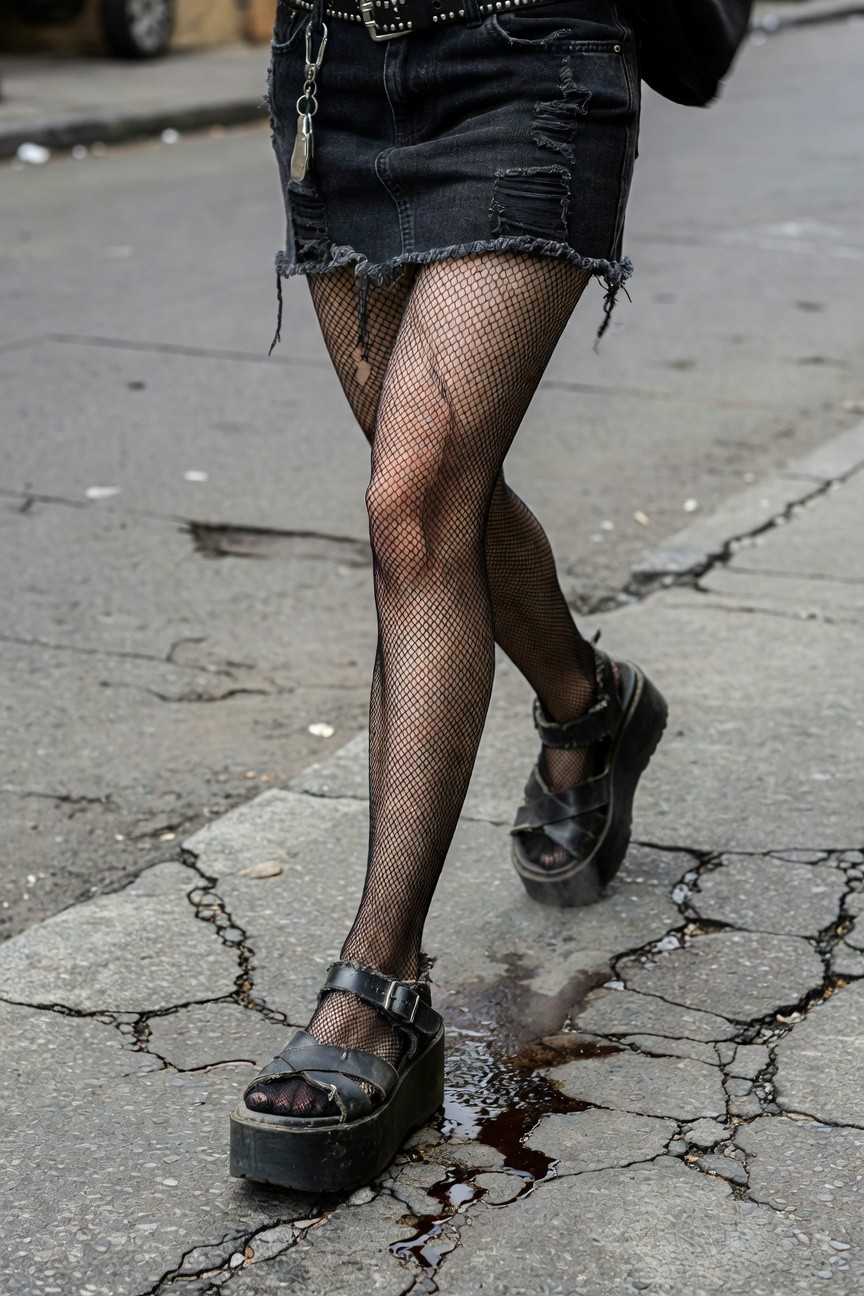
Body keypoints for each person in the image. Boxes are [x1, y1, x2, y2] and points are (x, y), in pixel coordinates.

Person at [229, 0, 667, 1194]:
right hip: (335, 69)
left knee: (412, 494)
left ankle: (383, 984)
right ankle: (589, 706)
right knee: (429, 491)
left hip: (526, 58)